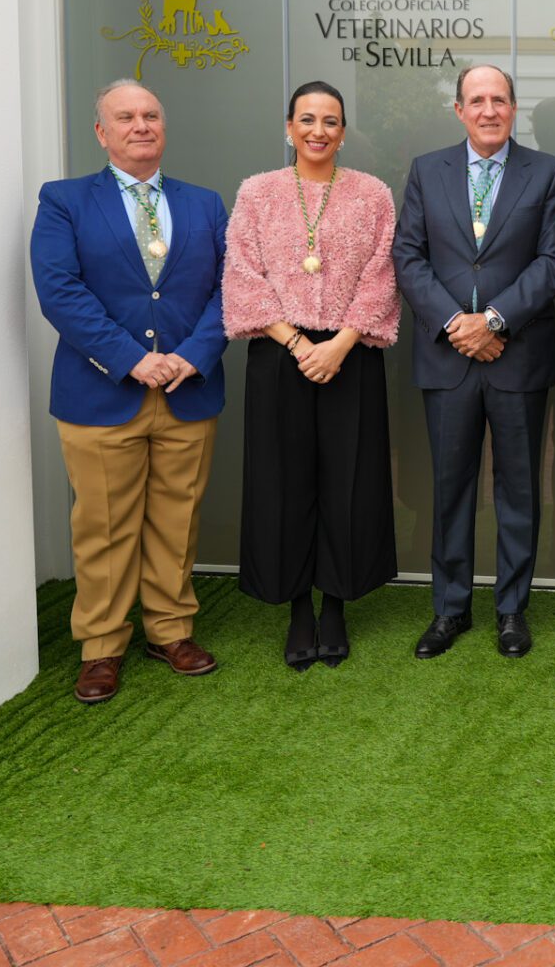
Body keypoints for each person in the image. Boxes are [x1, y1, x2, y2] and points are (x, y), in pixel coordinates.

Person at [30, 78, 229, 703]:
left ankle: (169, 630)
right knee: (105, 526)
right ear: (101, 132)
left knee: (177, 518)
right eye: (125, 117)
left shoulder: (205, 204)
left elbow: (235, 290)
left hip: (187, 390)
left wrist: (192, 357)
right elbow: (60, 290)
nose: (140, 125)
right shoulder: (64, 201)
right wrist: (130, 360)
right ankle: (101, 646)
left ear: (163, 128)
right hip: (102, 393)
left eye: (151, 115)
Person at [221, 80, 400, 670]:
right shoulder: (258, 193)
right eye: (307, 119)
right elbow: (243, 275)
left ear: (343, 132)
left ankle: (337, 606)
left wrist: (340, 343)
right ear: (288, 128)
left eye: (330, 121)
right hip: (280, 353)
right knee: (283, 482)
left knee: (348, 482)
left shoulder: (372, 195)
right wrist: (299, 345)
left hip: (351, 353)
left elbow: (383, 275)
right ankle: (298, 605)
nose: (318, 130)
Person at [393, 65, 555, 660]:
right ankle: (450, 609)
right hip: (448, 359)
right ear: (460, 110)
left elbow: (552, 261)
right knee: (450, 488)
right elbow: (409, 257)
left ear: (514, 108)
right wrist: (455, 325)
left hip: (516, 357)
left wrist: (492, 322)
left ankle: (512, 610)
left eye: (499, 99)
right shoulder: (426, 170)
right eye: (477, 100)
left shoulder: (547, 173)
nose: (489, 110)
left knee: (519, 488)